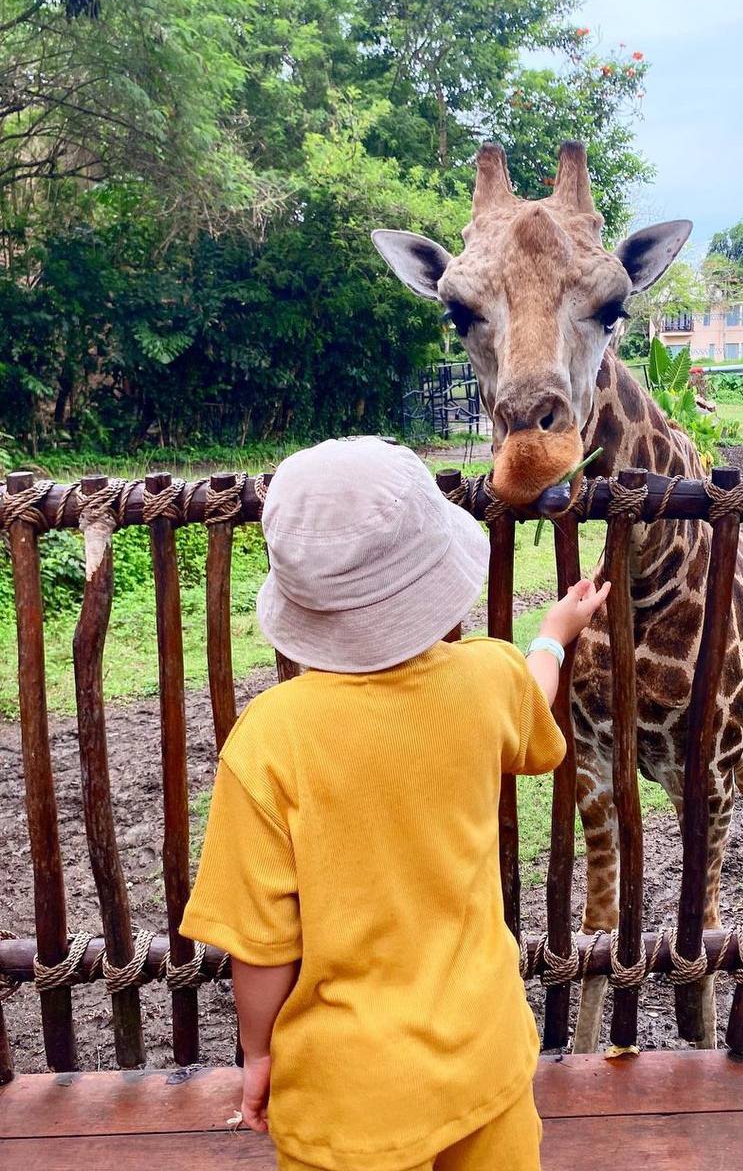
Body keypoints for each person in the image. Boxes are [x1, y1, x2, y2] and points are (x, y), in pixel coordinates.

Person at [181, 437, 610, 1171]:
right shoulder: (485, 679)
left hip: (350, 1102)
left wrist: (257, 1054)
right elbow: (532, 690)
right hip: (485, 1058)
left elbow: (260, 947)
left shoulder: (270, 741)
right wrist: (553, 637)